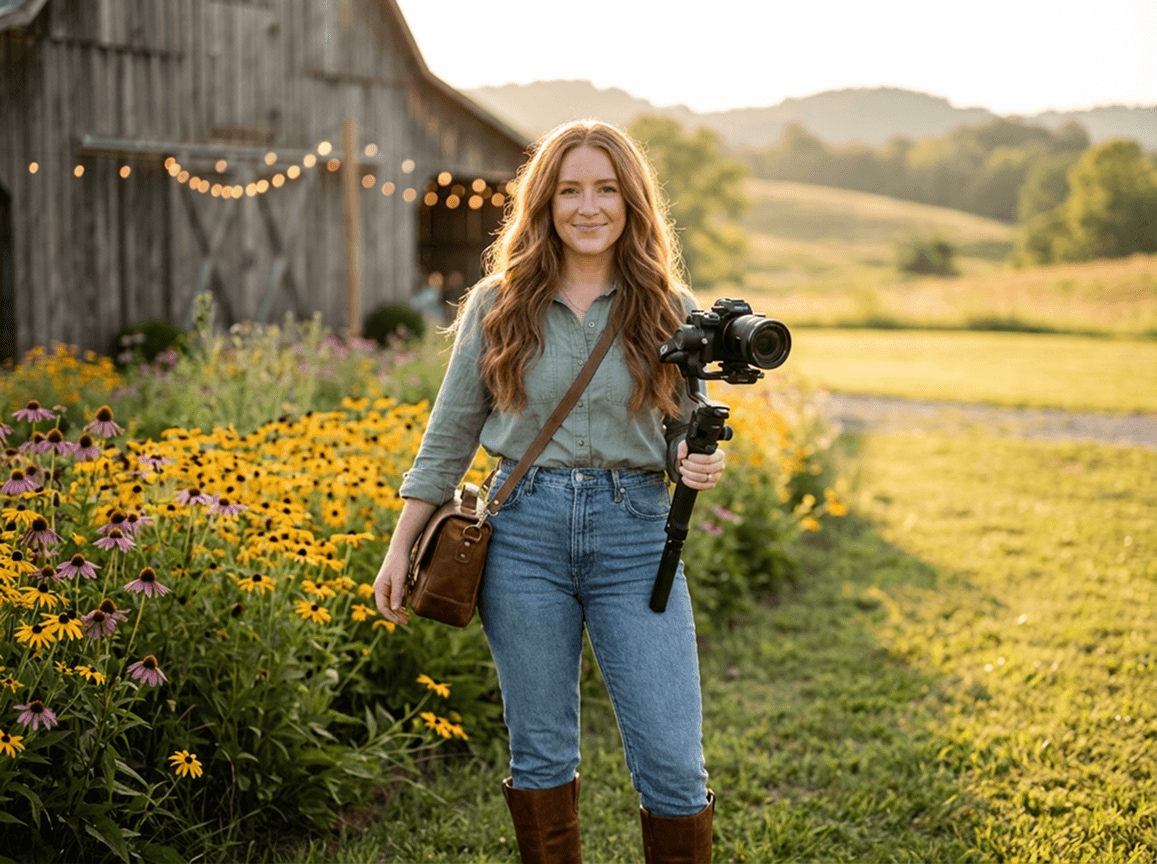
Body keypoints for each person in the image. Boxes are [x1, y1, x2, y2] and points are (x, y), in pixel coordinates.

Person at [373, 120, 726, 864]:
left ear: (632, 202)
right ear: (544, 202)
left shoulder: (668, 304)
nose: (587, 206)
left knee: (672, 762)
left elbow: (680, 427)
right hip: (520, 535)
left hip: (635, 539)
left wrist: (691, 460)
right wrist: (400, 548)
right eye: (569, 190)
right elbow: (449, 436)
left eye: (605, 189)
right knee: (539, 754)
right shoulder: (498, 302)